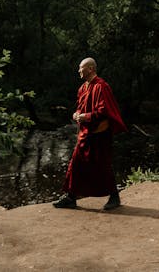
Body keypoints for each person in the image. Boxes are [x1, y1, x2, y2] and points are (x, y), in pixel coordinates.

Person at [53, 57, 127, 210]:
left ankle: (114, 197)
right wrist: (77, 114)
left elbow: (104, 111)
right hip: (85, 133)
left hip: (100, 132)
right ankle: (71, 197)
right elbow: (81, 107)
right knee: (76, 163)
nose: (79, 70)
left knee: (102, 164)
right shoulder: (82, 88)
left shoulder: (101, 87)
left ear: (91, 69)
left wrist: (85, 116)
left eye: (81, 68)